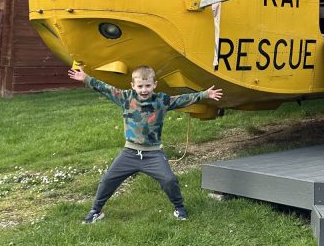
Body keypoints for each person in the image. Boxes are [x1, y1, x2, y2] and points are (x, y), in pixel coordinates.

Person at [68, 64, 223, 223]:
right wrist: (86, 78)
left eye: (148, 85)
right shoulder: (126, 98)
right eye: (140, 86)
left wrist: (205, 94)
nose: (144, 90)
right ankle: (96, 211)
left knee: (169, 180)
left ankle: (180, 208)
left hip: (153, 154)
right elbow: (106, 88)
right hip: (129, 153)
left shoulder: (162, 100)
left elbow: (182, 99)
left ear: (154, 85)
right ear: (133, 86)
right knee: (108, 180)